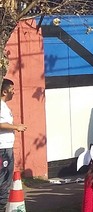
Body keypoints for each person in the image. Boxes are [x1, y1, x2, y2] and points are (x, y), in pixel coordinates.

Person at [0, 79, 26, 210]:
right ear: (5, 91)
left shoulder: (5, 106)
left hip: (7, 148)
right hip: (2, 149)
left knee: (6, 180)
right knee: (3, 181)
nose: (14, 92)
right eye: (12, 89)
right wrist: (16, 127)